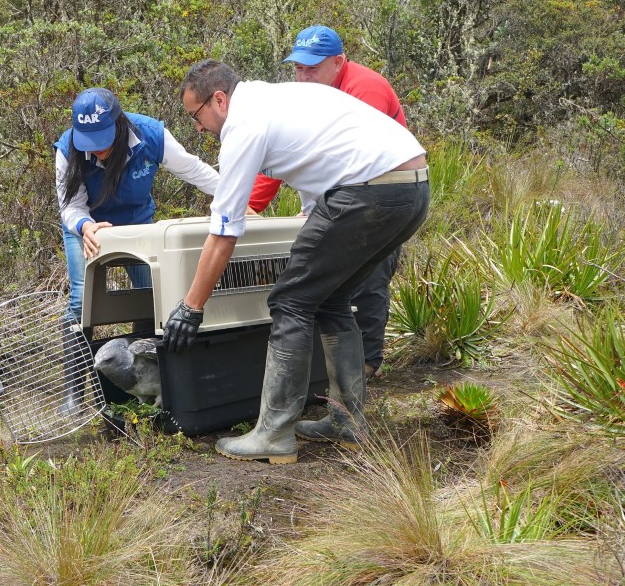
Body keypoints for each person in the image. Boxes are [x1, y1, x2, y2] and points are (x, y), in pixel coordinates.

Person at [163, 60, 429, 464]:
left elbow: (224, 230)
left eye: (195, 116)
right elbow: (321, 165)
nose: (198, 129)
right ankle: (347, 422)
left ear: (219, 99)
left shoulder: (244, 124)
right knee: (330, 296)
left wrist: (191, 307)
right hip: (412, 190)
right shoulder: (281, 98)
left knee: (290, 300)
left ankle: (274, 433)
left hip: (371, 190)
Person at [249, 25, 407, 393]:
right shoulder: (302, 98)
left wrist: (328, 209)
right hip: (331, 204)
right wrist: (249, 206)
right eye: (298, 69)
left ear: (338, 62)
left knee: (369, 280)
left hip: (378, 200)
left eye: (313, 69)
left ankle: (366, 366)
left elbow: (361, 158)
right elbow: (279, 154)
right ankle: (330, 370)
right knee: (326, 288)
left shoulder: (363, 89)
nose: (304, 77)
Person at [54, 86, 220, 327]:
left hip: (137, 221)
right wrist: (85, 226)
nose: (96, 148)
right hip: (88, 226)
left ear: (118, 123)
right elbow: (70, 206)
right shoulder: (68, 150)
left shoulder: (150, 135)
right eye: (88, 140)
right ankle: (79, 365)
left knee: (151, 296)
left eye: (102, 137)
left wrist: (232, 197)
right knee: (81, 303)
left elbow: (192, 169)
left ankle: (144, 357)